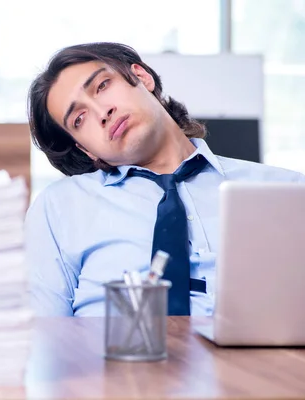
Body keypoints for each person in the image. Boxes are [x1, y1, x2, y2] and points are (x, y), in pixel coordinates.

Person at [25, 42, 305, 317]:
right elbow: (42, 341)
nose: (102, 113)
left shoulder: (287, 192)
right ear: (85, 149)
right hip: (119, 358)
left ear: (141, 77)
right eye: (79, 119)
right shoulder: (61, 206)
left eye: (102, 86)